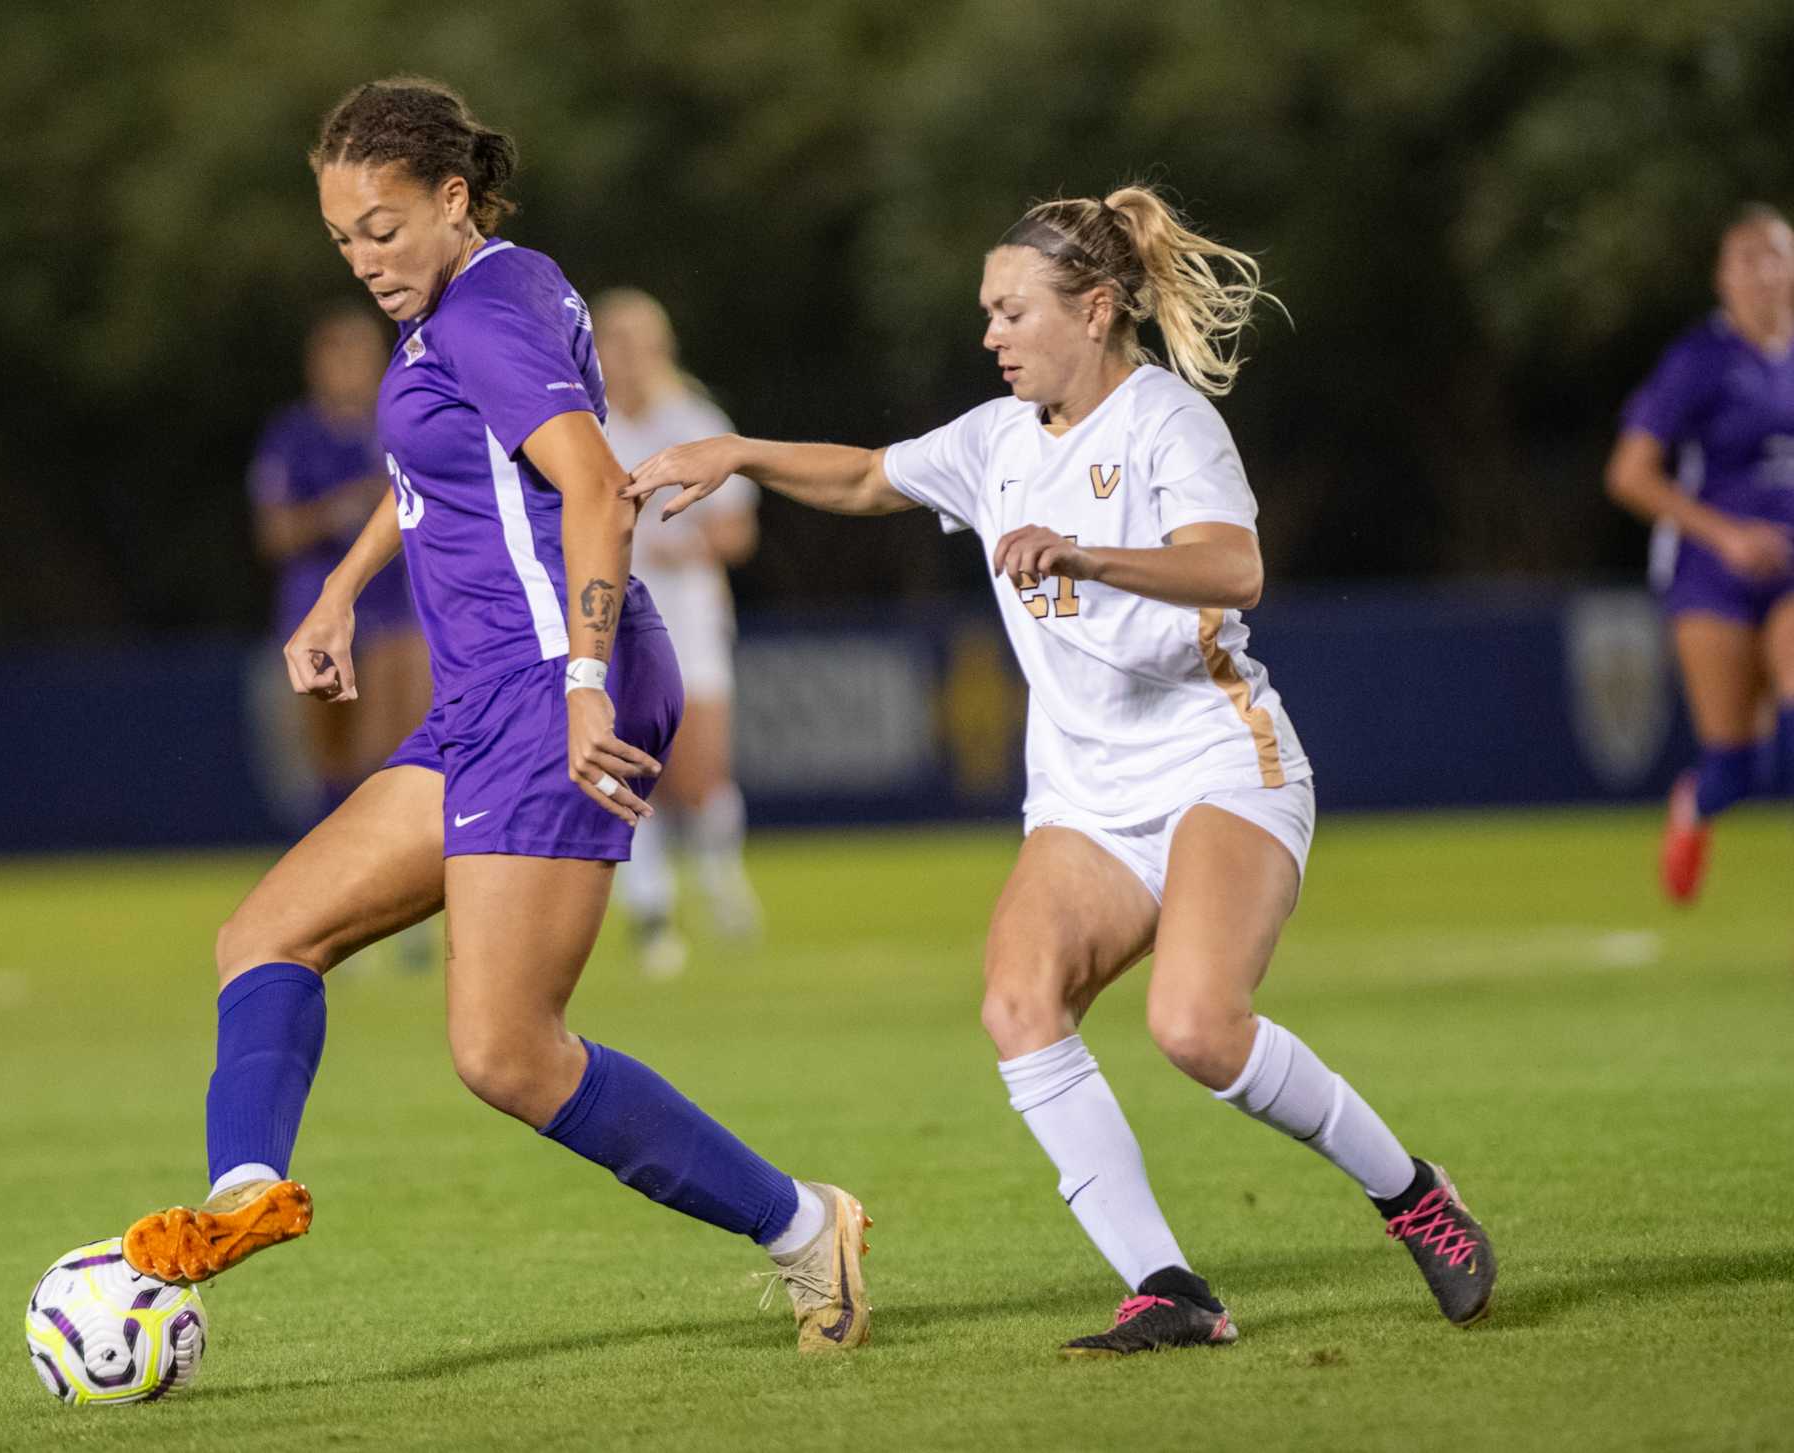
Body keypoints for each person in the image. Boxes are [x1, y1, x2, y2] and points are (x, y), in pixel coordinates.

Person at [628, 185, 1497, 1355]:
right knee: (1017, 1004)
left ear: (1092, 311)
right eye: (986, 313)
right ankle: (1167, 1286)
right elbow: (866, 475)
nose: (989, 335)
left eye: (1010, 311)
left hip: (1214, 763)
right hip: (1085, 798)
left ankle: (1413, 1197)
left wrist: (1086, 551)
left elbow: (1231, 568)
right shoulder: (992, 442)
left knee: (1196, 1027)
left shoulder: (1163, 423)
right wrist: (736, 451)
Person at [120, 77, 871, 1356]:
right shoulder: (483, 296)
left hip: (546, 687)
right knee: (266, 936)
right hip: (488, 694)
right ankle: (245, 1196)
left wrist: (581, 681)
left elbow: (589, 483)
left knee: (508, 1054)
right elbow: (436, 468)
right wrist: (347, 593)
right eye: (343, 238)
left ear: (451, 198)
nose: (364, 260)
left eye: (385, 227)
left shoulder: (482, 317)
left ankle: (806, 1227)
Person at [1605, 203, 1794, 902]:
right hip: (1712, 575)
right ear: (1723, 278)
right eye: (1747, 259)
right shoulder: (1699, 362)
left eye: (1776, 254)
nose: (1764, 272)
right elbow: (1629, 474)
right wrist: (1729, 536)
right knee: (1735, 770)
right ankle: (1694, 807)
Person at [593, 289, 763, 977]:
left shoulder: (693, 420)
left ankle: (721, 875)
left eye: (636, 341)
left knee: (700, 772)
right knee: (628, 763)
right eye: (612, 340)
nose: (624, 355)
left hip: (688, 613)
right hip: (611, 618)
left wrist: (672, 543)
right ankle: (650, 907)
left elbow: (737, 531)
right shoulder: (588, 426)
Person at [248, 307, 430, 808]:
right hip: (319, 604)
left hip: (400, 603)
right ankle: (342, 857)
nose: (350, 366)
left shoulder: (402, 423)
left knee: (396, 749)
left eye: (360, 354)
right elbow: (275, 534)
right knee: (333, 759)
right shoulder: (294, 435)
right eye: (338, 354)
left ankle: (401, 859)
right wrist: (341, 510)